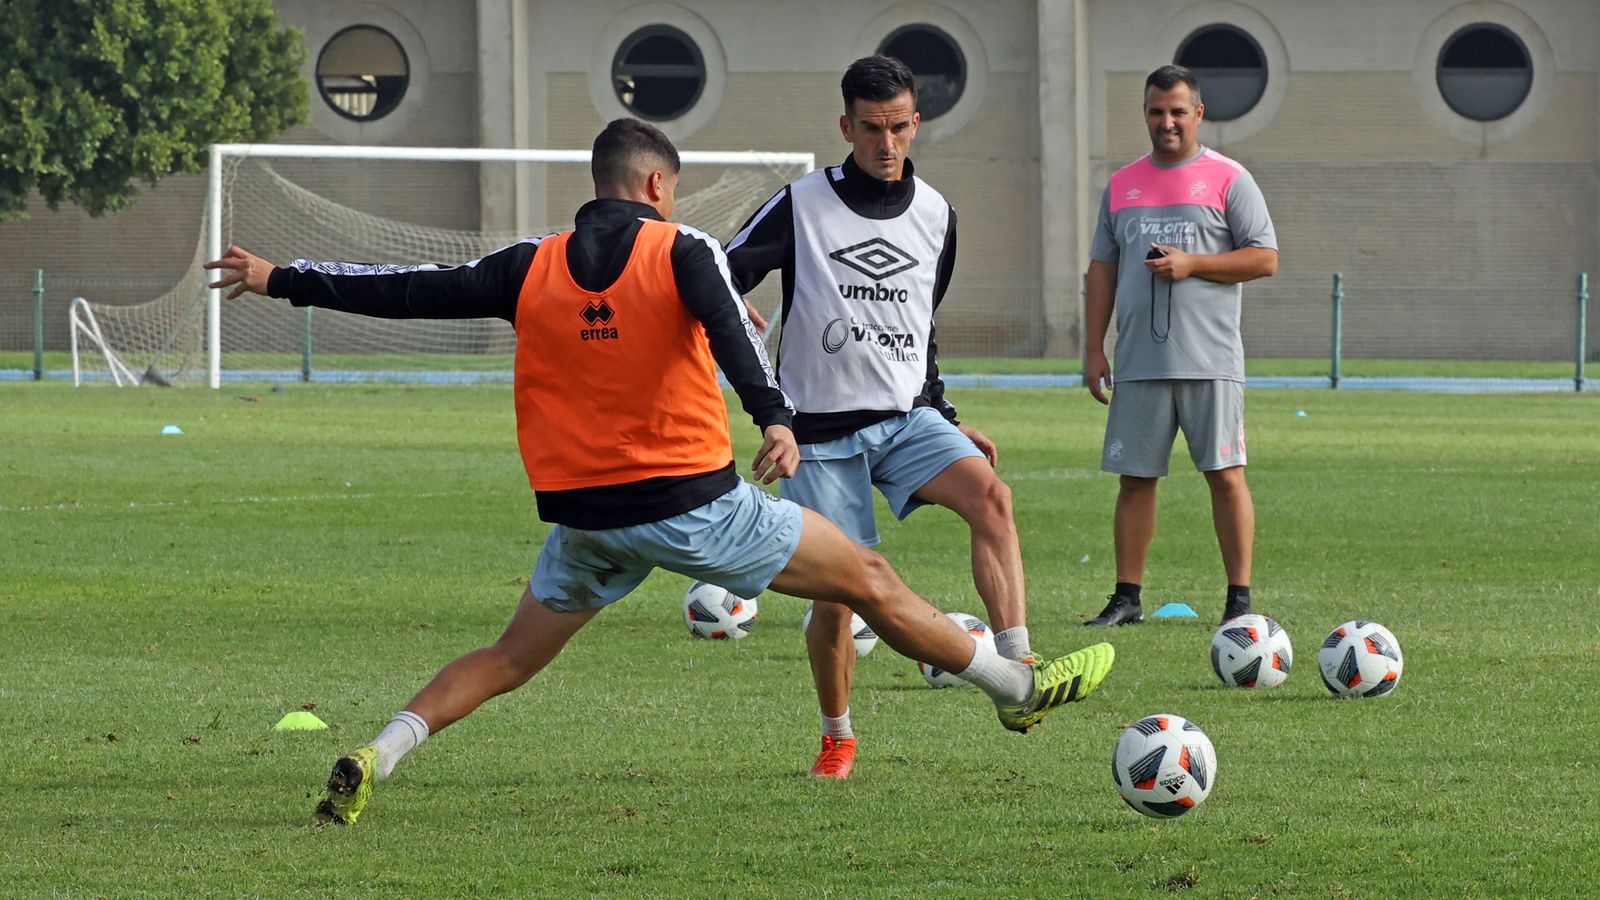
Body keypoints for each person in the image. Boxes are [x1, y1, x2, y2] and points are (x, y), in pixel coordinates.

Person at [205, 117, 1114, 826]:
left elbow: (403, 289)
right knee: (870, 578)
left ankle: (379, 752)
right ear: (654, 185)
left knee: (510, 657)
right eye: (671, 190)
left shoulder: (528, 266)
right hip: (695, 507)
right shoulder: (682, 249)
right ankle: (1017, 690)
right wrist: (776, 420)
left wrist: (281, 277)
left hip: (586, 519)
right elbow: (732, 334)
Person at [724, 56, 1035, 781]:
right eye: (870, 128)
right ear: (846, 126)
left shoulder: (938, 215)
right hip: (818, 433)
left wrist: (945, 414)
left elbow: (921, 329)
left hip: (904, 420)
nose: (885, 143)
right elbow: (716, 272)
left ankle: (1020, 670)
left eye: (898, 127)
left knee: (991, 495)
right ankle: (837, 737)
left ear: (916, 122)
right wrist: (734, 306)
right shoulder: (800, 204)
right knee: (839, 598)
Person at [1081, 65, 1278, 628]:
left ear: (1199, 114)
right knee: (1134, 480)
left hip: (1210, 360)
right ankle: (1127, 598)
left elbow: (1264, 257)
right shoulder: (1122, 185)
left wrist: (1193, 264)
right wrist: (1094, 348)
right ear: (1145, 114)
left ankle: (1239, 601)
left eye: (1177, 112)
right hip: (1139, 360)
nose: (1166, 122)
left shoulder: (1230, 178)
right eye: (1156, 111)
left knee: (1225, 474)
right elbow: (1102, 269)